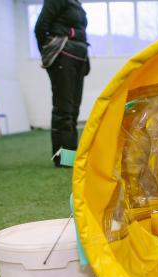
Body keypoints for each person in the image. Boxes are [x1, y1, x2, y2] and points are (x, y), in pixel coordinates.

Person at [35, 0, 90, 167]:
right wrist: (48, 52)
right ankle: (63, 160)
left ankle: (70, 157)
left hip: (79, 57)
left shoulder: (76, 3)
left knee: (73, 111)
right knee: (64, 111)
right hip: (63, 57)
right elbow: (40, 28)